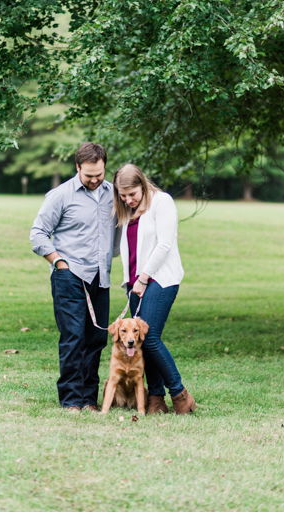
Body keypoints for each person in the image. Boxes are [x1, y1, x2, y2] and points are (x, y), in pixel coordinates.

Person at [30, 142, 119, 413]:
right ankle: (71, 400)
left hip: (101, 278)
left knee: (96, 339)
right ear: (78, 167)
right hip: (69, 276)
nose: (94, 180)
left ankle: (90, 399)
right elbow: (37, 234)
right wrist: (59, 263)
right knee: (73, 337)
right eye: (89, 175)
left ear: (105, 167)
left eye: (99, 175)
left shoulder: (113, 194)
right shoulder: (60, 195)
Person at [112, 163, 196, 415]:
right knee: (138, 340)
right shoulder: (128, 210)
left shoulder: (162, 202)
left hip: (159, 279)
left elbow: (164, 244)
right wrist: (131, 281)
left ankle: (180, 395)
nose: (128, 200)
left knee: (149, 338)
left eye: (132, 194)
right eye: (123, 195)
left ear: (143, 185)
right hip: (134, 283)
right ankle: (156, 400)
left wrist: (143, 278)